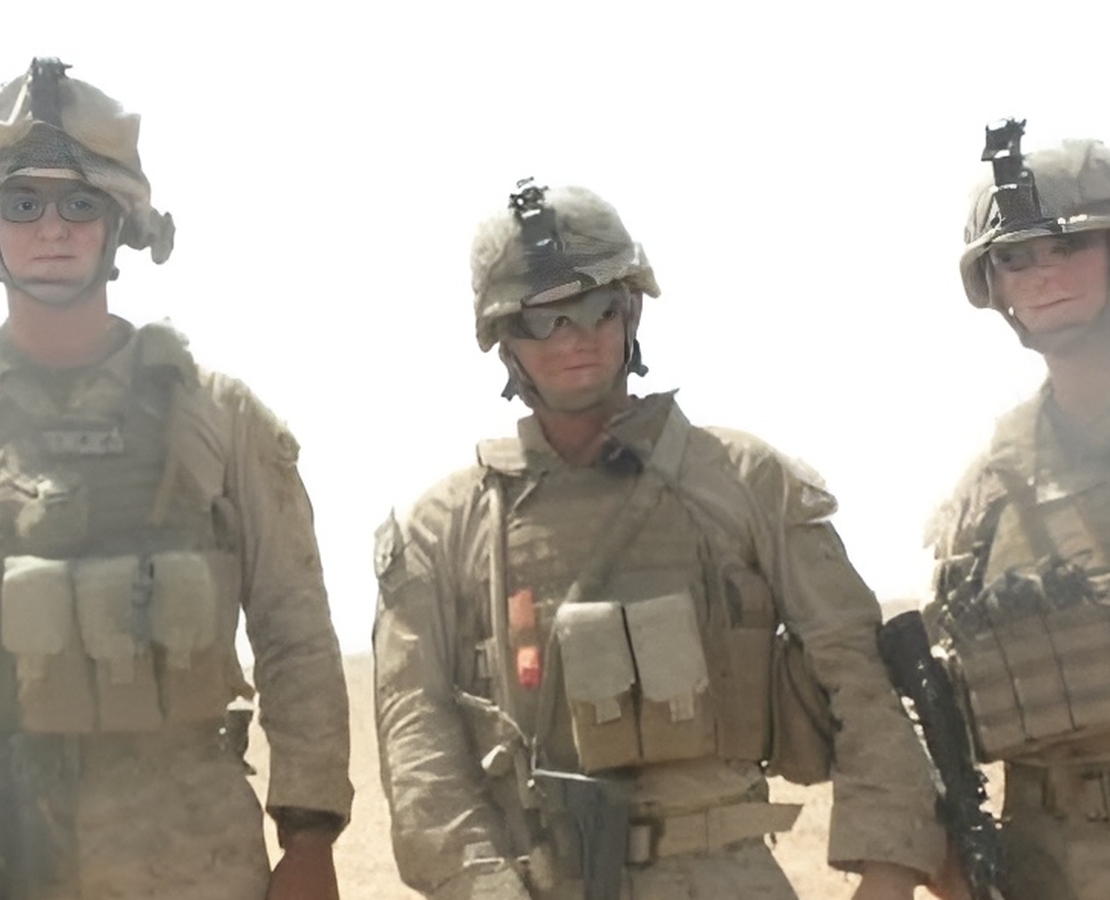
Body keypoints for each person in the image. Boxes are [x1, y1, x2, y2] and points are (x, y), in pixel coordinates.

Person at [373, 179, 945, 899]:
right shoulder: (446, 528)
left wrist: (887, 874)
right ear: (504, 340)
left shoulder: (743, 479)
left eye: (599, 308)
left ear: (632, 310)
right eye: (543, 319)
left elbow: (857, 671)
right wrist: (483, 887)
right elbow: (417, 741)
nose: (575, 337)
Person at [0, 58, 352, 899]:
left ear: (120, 224)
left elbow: (293, 630)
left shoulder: (218, 415)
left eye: (81, 205)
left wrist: (309, 838)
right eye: (23, 203)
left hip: (190, 855)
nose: (53, 229)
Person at [926, 120, 1110, 900]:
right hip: (1047, 866)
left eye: (1069, 245)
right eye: (1015, 258)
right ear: (993, 287)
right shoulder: (988, 494)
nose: (1043, 274)